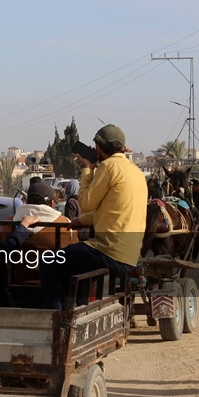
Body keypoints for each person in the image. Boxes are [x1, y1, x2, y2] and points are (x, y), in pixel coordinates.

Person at [39, 124, 147, 309]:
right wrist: (79, 222)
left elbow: (86, 203)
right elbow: (110, 210)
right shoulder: (135, 171)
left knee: (49, 261)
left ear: (98, 148)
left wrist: (88, 168)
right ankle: (77, 307)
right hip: (129, 254)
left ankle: (56, 317)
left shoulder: (108, 166)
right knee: (72, 261)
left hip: (108, 251)